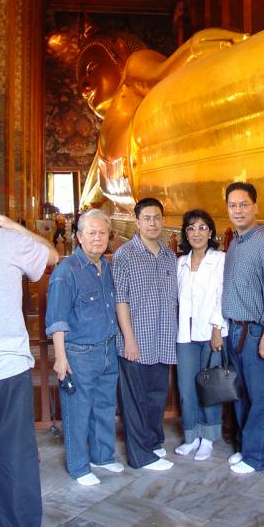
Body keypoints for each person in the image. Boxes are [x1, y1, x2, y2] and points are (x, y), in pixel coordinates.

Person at [0, 189, 58, 527]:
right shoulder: (5, 240)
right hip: (9, 371)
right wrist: (14, 226)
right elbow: (52, 256)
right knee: (15, 458)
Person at [46, 208, 123, 486]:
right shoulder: (66, 272)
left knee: (104, 406)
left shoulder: (106, 267)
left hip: (107, 348)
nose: (97, 238)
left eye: (102, 232)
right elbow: (57, 319)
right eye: (91, 233)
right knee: (78, 411)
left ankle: (102, 456)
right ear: (79, 237)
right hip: (80, 353)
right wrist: (60, 358)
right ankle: (79, 467)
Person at [222, 182, 264, 474]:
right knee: (241, 395)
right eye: (232, 205)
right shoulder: (235, 243)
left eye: (243, 204)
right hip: (235, 331)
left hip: (258, 332)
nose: (238, 210)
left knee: (261, 397)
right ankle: (244, 447)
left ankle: (256, 458)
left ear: (255, 207)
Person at [111, 197, 177, 470]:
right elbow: (121, 300)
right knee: (135, 399)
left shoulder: (169, 256)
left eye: (157, 218)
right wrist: (129, 339)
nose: (152, 223)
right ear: (137, 222)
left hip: (162, 339)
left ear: (163, 221)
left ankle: (153, 441)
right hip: (136, 341)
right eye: (147, 218)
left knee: (156, 395)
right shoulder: (125, 255)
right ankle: (140, 456)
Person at [175, 209, 227, 461]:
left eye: (202, 228)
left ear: (210, 233)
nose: (197, 233)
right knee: (187, 388)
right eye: (191, 228)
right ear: (186, 233)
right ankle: (191, 437)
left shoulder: (219, 260)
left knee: (210, 387)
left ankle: (208, 438)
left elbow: (222, 295)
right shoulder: (180, 263)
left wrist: (217, 329)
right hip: (185, 335)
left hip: (210, 333)